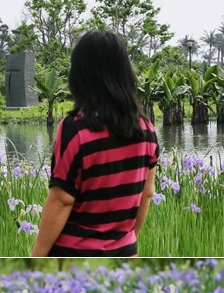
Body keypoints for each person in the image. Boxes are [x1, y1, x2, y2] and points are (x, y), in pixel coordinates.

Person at [31, 30, 159, 257]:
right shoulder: (147, 130)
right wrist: (125, 242)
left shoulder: (75, 130)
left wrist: (36, 259)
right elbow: (147, 193)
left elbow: (62, 200)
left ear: (80, 75)